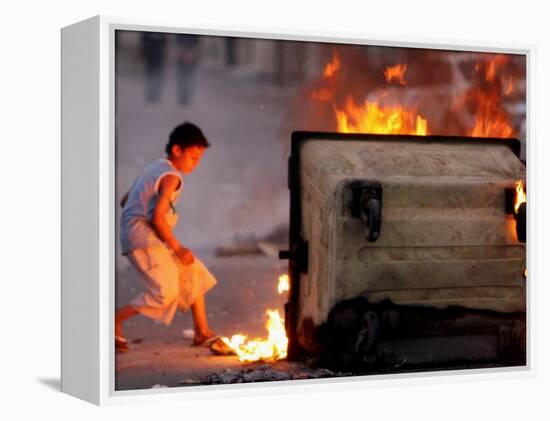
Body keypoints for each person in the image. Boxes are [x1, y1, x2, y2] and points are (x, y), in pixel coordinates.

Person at [115, 122, 218, 352]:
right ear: (177, 150)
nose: (196, 163)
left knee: (193, 270)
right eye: (193, 157)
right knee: (165, 293)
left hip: (142, 235)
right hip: (143, 239)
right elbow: (157, 218)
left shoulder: (154, 168)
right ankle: (113, 321)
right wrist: (177, 247)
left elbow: (125, 200)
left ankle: (201, 332)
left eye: (199, 159)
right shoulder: (171, 177)